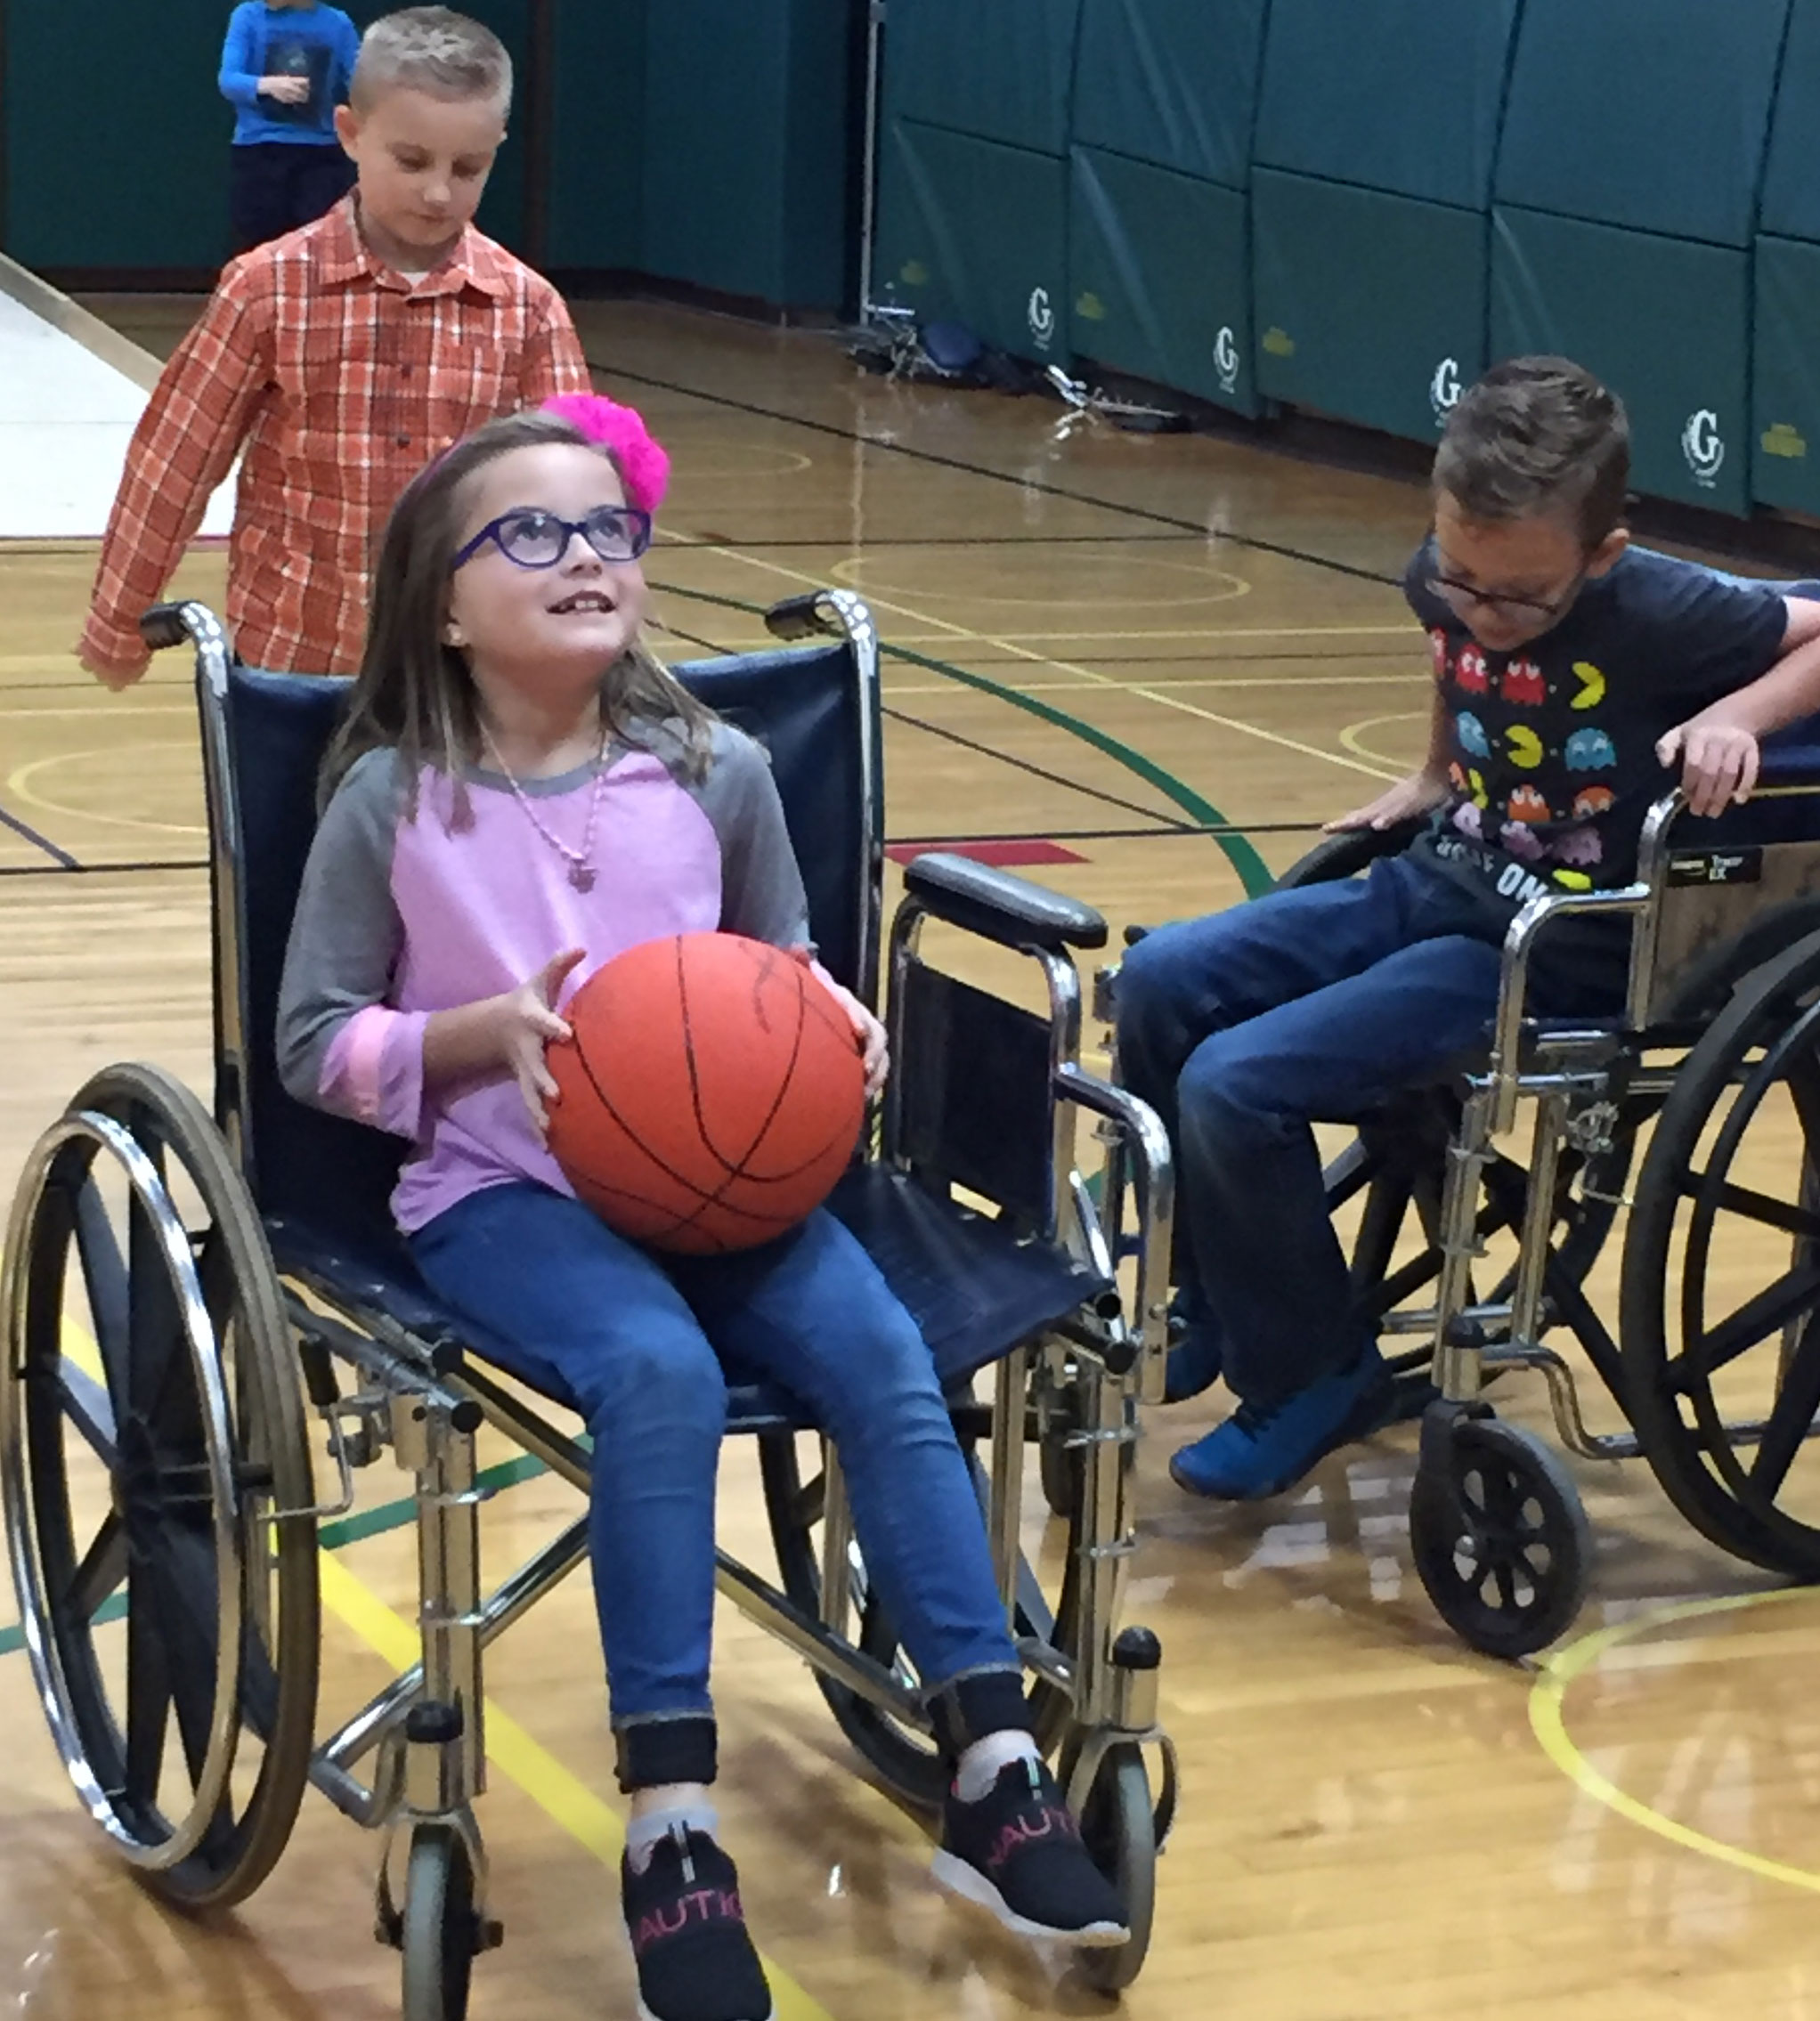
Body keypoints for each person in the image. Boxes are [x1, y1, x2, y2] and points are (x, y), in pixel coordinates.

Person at [275, 396, 1129, 2021]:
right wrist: (472, 1037)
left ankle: (991, 1758)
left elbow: (781, 968)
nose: (585, 553)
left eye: (609, 528)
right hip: (501, 1187)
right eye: (531, 532)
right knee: (653, 1374)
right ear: (442, 604)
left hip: (726, 1179)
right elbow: (312, 1042)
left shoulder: (716, 772)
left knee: (880, 1357)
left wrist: (834, 1030)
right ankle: (669, 1823)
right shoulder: (392, 799)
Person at [1117, 356, 1820, 1503]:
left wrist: (1739, 714)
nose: (1482, 609)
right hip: (1442, 875)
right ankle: (1215, 1289)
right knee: (1159, 979)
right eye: (1462, 578)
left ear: (1602, 554)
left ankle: (1309, 1378)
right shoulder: (1444, 577)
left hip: (1541, 949)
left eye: (1520, 596)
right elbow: (1458, 655)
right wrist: (1433, 768)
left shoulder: (1659, 608)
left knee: (1233, 1084)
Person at [79, 6, 589, 691]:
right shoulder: (266, 289)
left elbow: (580, 499)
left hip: (468, 678)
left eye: (469, 167)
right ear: (348, 132)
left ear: (498, 145)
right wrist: (119, 619)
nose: (439, 191)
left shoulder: (529, 309)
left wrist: (584, 648)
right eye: (410, 161)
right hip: (295, 666)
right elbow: (173, 464)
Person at [218, 0, 362, 256]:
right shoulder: (248, 16)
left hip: (321, 151)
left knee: (319, 240)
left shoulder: (337, 23)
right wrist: (267, 86)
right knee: (257, 239)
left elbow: (359, 82)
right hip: (260, 148)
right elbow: (229, 80)